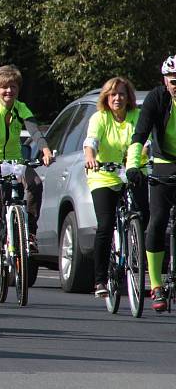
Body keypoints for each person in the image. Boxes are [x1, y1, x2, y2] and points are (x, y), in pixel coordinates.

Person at [0, 65, 54, 276]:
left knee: (35, 184)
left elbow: (35, 131)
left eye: (13, 87)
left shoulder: (21, 108)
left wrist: (45, 151)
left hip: (15, 161)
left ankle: (29, 234)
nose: (8, 91)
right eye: (4, 87)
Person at [83, 77, 148, 297]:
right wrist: (91, 158)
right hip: (104, 175)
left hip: (133, 172)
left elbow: (145, 143)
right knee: (105, 224)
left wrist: (142, 159)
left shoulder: (137, 117)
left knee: (143, 214)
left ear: (128, 97)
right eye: (112, 94)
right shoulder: (99, 118)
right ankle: (100, 280)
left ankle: (134, 250)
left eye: (121, 94)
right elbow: (91, 142)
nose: (117, 98)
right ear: (106, 98)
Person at [126, 55, 176, 312]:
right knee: (156, 221)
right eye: (173, 80)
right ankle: (156, 284)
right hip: (164, 162)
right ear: (165, 81)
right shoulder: (157, 99)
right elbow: (140, 133)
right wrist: (133, 165)